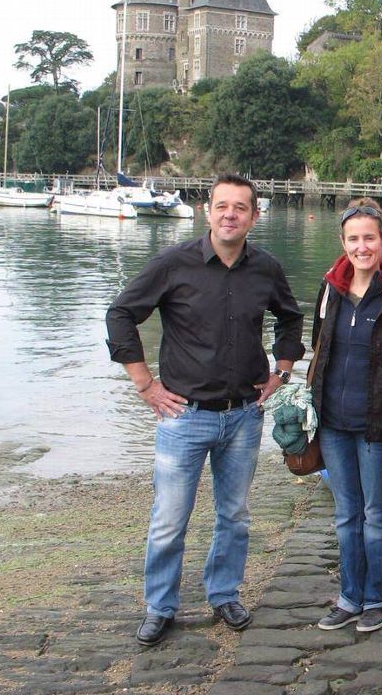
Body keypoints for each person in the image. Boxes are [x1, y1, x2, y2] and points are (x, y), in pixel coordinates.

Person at [106, 174, 305, 646]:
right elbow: (120, 314)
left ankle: (224, 593)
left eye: (241, 207)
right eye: (222, 206)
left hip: (244, 415)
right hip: (184, 416)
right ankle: (160, 606)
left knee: (234, 515)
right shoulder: (173, 264)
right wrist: (145, 385)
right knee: (170, 518)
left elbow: (292, 316)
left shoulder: (266, 268)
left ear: (255, 216)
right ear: (207, 211)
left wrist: (283, 371)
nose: (230, 214)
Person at [309, 198, 382, 633]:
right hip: (333, 423)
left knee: (377, 514)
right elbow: (318, 348)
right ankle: (350, 597)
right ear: (342, 242)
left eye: (369, 238)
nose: (361, 247)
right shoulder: (330, 289)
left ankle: (379, 598)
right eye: (353, 239)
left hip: (377, 422)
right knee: (346, 514)